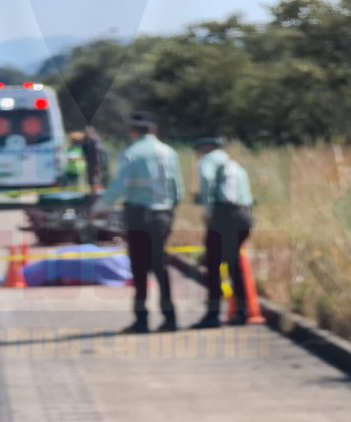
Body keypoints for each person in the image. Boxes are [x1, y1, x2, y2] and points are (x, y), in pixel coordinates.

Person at [91, 111, 184, 333]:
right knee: (160, 266)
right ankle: (170, 318)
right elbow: (177, 188)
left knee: (139, 268)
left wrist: (99, 208)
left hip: (138, 215)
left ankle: (141, 320)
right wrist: (170, 210)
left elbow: (119, 187)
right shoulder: (169, 152)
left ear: (133, 132)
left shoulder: (131, 153)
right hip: (163, 214)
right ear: (153, 130)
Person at [190, 137, 254, 329]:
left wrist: (207, 210)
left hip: (222, 216)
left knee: (213, 266)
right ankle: (241, 313)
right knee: (234, 265)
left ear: (207, 148)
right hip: (243, 216)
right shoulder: (235, 165)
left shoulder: (208, 161)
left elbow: (207, 181)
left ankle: (212, 315)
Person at [82, 125, 106, 193]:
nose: (86, 133)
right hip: (90, 163)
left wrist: (97, 164)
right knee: (90, 179)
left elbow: (97, 154)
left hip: (95, 163)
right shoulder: (87, 140)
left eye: (87, 132)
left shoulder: (95, 141)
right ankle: (92, 192)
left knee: (96, 178)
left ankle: (97, 193)